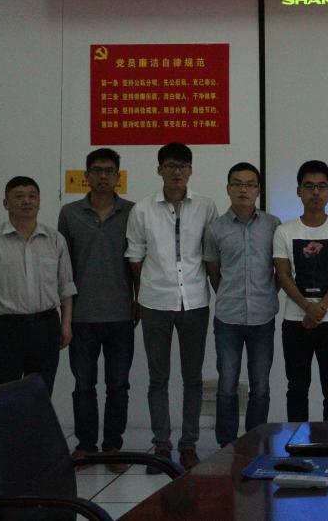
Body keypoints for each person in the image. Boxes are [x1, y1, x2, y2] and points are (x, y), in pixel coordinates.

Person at [126, 142, 218, 472]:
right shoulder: (142, 210)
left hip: (195, 301)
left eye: (182, 166)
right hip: (155, 302)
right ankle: (162, 445)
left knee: (193, 378)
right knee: (158, 378)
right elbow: (135, 256)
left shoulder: (206, 207)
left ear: (190, 170)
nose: (177, 172)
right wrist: (145, 291)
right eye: (170, 166)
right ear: (159, 170)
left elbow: (211, 254)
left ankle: (189, 445)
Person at [58, 148, 135, 471]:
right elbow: (62, 267)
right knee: (84, 386)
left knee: (118, 385)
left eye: (109, 171)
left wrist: (137, 304)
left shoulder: (133, 212)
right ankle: (86, 447)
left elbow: (138, 263)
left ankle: (113, 447)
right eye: (97, 170)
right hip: (82, 316)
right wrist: (65, 315)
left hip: (121, 315)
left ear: (118, 176)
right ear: (86, 175)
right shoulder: (70, 213)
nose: (103, 176)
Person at [0, 176, 76, 395]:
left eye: (32, 196)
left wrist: (66, 324)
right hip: (6, 329)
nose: (26, 201)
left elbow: (66, 287)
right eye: (19, 196)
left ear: (39, 201)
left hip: (46, 327)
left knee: (41, 394)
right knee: (3, 394)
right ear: (5, 203)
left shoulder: (55, 240)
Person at [204, 162, 281, 447]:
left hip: (263, 317)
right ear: (228, 189)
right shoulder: (215, 228)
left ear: (258, 190)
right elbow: (213, 272)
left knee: (260, 385)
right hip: (228, 318)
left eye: (250, 184)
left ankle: (254, 442)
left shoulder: (273, 225)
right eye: (237, 184)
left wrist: (267, 294)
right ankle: (227, 445)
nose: (243, 190)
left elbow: (280, 271)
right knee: (227, 384)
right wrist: (229, 294)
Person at [273, 160, 328, 422]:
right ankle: (298, 441)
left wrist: (319, 308)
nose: (315, 192)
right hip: (295, 322)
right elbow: (283, 275)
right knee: (297, 388)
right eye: (309, 186)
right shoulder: (284, 231)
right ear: (299, 191)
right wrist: (308, 307)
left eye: (322, 186)